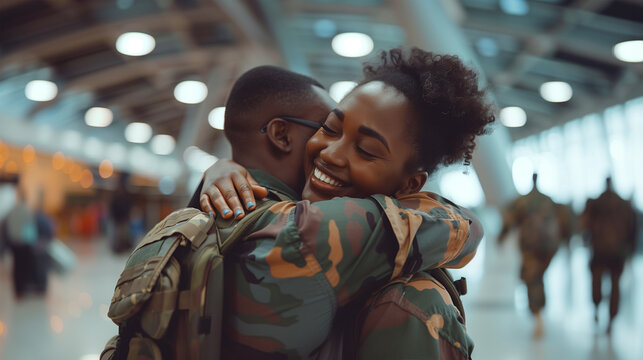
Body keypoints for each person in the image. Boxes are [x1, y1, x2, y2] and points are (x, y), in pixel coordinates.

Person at [195, 48, 494, 359]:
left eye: (366, 150)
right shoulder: (311, 234)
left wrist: (223, 166)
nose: (331, 154)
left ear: (410, 183)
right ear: (279, 135)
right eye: (329, 128)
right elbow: (462, 227)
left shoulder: (211, 211)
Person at [499, 173, 561, 339]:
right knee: (538, 277)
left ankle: (538, 315)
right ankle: (539, 312)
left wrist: (501, 238)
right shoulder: (548, 200)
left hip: (531, 247)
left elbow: (509, 221)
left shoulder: (523, 201)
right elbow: (562, 220)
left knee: (532, 279)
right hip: (549, 247)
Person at [580, 177, 637, 333]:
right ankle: (611, 319)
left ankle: (597, 309)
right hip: (617, 252)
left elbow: (586, 225)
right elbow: (632, 228)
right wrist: (630, 249)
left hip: (599, 250)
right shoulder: (622, 204)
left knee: (597, 282)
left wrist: (587, 239)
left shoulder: (596, 203)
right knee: (614, 286)